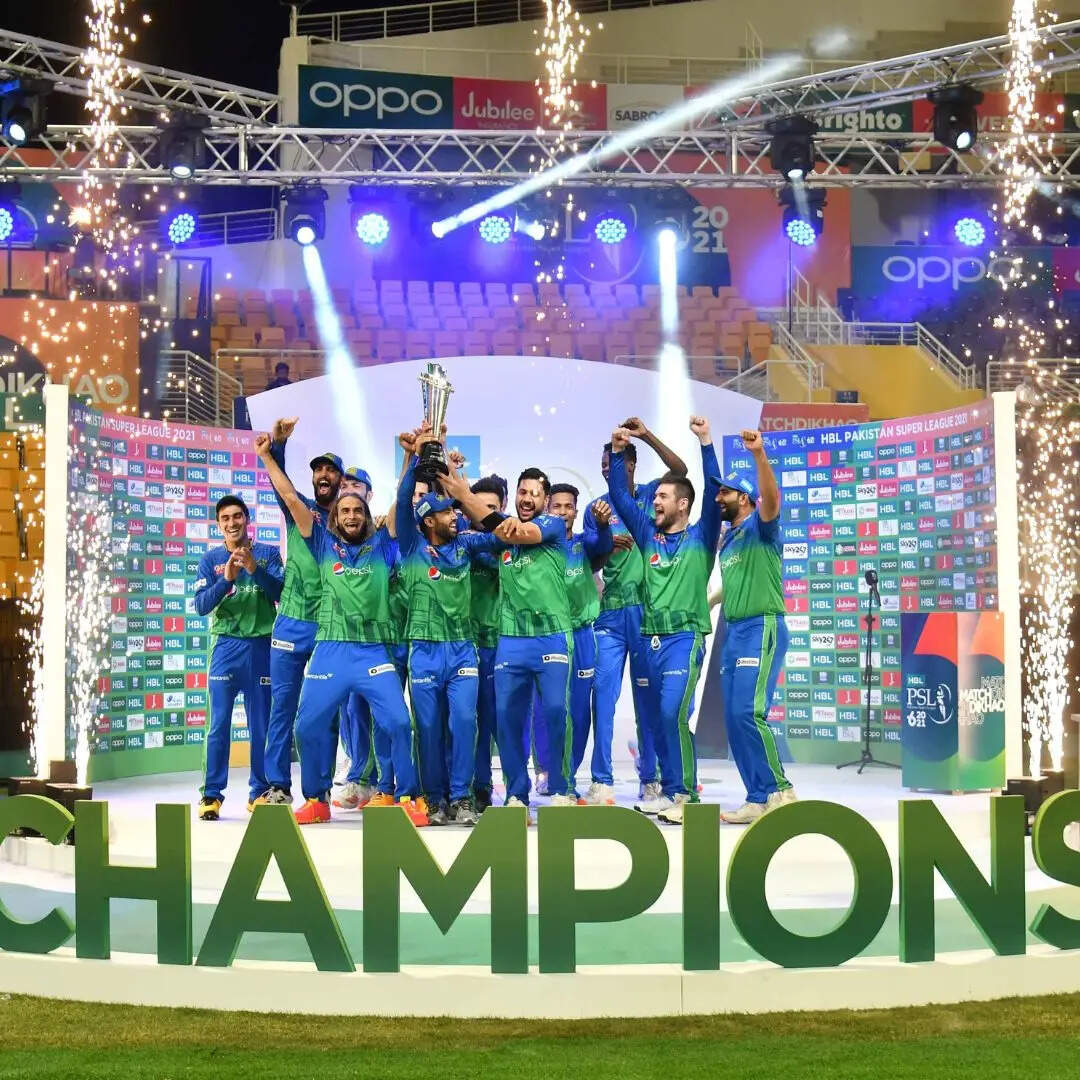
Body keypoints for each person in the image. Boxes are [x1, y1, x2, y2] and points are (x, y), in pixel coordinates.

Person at [255, 430, 427, 827]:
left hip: (371, 652)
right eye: (345, 510)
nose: (351, 515)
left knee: (399, 722)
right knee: (306, 725)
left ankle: (408, 796)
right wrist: (267, 457)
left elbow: (402, 501)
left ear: (366, 516)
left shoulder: (381, 546)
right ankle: (316, 799)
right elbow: (291, 499)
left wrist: (410, 459)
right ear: (335, 517)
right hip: (330, 651)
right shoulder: (321, 545)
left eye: (357, 511)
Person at [444, 465, 576, 820]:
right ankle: (517, 794)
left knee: (555, 711)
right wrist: (449, 483)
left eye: (535, 493)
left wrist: (464, 495)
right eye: (522, 492)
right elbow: (466, 535)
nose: (527, 498)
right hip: (511, 641)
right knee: (506, 719)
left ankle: (562, 788)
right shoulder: (500, 537)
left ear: (545, 500)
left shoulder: (551, 525)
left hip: (550, 637)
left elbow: (513, 531)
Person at [608, 415, 721, 825]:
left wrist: (705, 442)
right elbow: (620, 496)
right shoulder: (648, 536)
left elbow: (713, 490)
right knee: (659, 719)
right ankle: (672, 790)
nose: (654, 501)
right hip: (651, 639)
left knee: (673, 712)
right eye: (654, 496)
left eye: (663, 496)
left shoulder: (702, 535)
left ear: (683, 504)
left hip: (684, 638)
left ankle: (686, 796)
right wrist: (618, 452)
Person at [396, 434, 503, 825]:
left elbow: (498, 534)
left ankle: (462, 798)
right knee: (427, 728)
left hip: (461, 649)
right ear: (428, 521)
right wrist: (415, 457)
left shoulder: (466, 546)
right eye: (447, 513)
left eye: (456, 512)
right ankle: (434, 798)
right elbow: (404, 499)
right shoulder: (411, 546)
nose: (455, 517)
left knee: (464, 722)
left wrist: (457, 479)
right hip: (423, 650)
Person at [584, 418, 688, 803]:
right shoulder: (597, 508)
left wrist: (645, 436)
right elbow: (590, 562)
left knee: (648, 701)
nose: (607, 470)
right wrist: (605, 543)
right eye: (603, 465)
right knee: (602, 697)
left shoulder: (652, 497)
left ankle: (650, 777)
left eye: (613, 464)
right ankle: (602, 779)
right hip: (610, 616)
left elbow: (680, 470)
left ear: (631, 465)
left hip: (647, 616)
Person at [713, 428, 796, 824]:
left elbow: (772, 498)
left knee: (750, 711)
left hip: (762, 626)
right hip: (735, 632)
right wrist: (708, 603)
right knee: (734, 719)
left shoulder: (761, 526)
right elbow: (732, 587)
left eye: (725, 492)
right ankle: (757, 797)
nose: (718, 498)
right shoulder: (728, 540)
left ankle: (782, 790)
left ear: (744, 498)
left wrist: (759, 454)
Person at [263, 421, 343, 805]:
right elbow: (282, 486)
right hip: (291, 622)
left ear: (340, 480)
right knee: (282, 707)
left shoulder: (349, 520)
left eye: (330, 470)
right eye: (318, 469)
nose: (323, 475)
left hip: (328, 625)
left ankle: (319, 790)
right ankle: (277, 785)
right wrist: (277, 446)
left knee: (324, 711)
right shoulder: (299, 509)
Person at [192, 495, 283, 821]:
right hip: (226, 648)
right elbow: (201, 606)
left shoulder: (268, 554)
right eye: (225, 519)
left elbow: (281, 594)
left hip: (261, 647)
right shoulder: (211, 559)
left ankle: (259, 791)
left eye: (237, 517)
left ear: (247, 519)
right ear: (219, 525)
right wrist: (227, 579)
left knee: (261, 726)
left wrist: (254, 569)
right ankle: (211, 795)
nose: (232, 523)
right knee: (218, 725)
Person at [547, 484, 614, 803]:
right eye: (556, 506)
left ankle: (569, 778)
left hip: (584, 636)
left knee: (580, 712)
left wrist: (603, 526)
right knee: (553, 709)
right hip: (552, 637)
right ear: (548, 510)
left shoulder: (584, 543)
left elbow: (602, 545)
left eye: (568, 506)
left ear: (576, 511)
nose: (562, 512)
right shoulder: (539, 545)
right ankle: (552, 776)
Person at [466, 475, 508, 811]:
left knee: (497, 720)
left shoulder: (510, 539)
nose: (482, 513)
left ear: (501, 508)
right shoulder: (454, 541)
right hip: (462, 644)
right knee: (466, 720)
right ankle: (472, 786)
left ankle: (512, 789)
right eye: (476, 506)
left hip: (498, 643)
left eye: (491, 507)